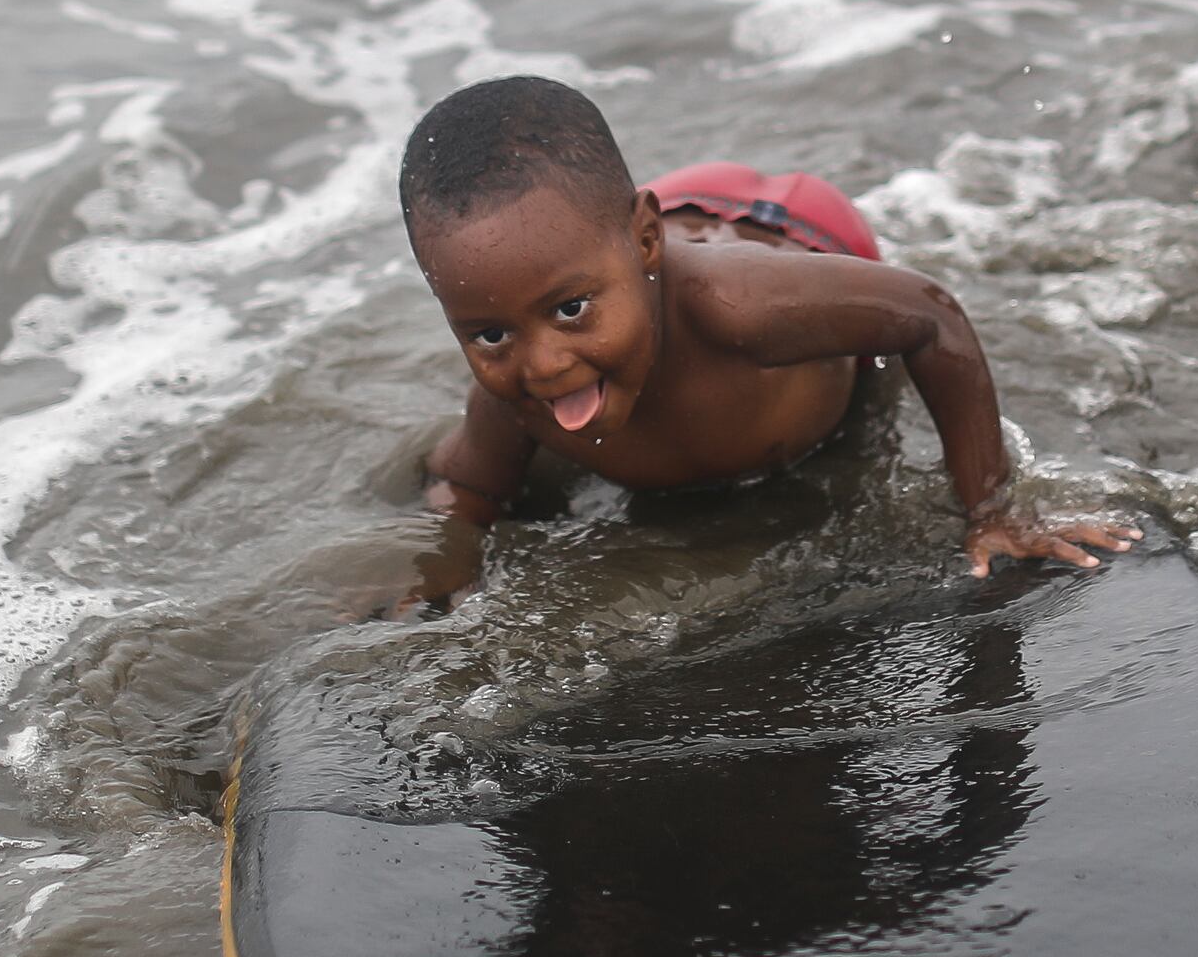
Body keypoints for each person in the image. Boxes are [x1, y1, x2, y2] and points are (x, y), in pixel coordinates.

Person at [394, 78, 1133, 607]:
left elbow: (931, 316)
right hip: (600, 236)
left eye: (571, 311)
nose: (544, 363)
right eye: (488, 332)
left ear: (644, 239)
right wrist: (438, 562)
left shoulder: (740, 312)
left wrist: (993, 508)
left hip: (789, 222)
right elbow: (469, 487)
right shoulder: (514, 393)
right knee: (554, 278)